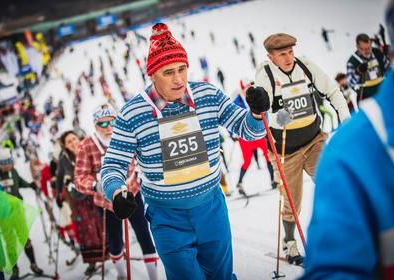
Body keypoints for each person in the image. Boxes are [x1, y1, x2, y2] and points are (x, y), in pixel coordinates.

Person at [101, 23, 270, 279]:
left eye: (182, 69)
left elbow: (249, 130)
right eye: (168, 72)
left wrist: (257, 113)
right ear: (152, 74)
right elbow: (112, 166)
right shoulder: (132, 113)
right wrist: (117, 192)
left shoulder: (208, 95)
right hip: (168, 217)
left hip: (211, 208)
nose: (179, 79)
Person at [302, 0, 394, 278]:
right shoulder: (350, 154)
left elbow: (384, 63)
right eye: (362, 48)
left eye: (367, 48)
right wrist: (359, 79)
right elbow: (350, 84)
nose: (366, 51)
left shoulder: (376, 52)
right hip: (371, 103)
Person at [254, 33, 350, 265]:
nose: (288, 58)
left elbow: (333, 91)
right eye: (281, 54)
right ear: (271, 56)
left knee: (333, 184)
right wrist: (278, 116)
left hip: (314, 140)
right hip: (286, 150)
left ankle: (344, 235)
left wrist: (346, 120)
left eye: (290, 52)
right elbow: (262, 115)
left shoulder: (305, 66)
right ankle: (290, 243)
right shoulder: (265, 74)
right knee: (292, 200)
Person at [74, 104, 158, 280]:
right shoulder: (86, 145)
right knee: (115, 242)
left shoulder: (126, 136)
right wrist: (96, 183)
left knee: (144, 234)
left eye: (112, 121)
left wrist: (139, 174)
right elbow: (79, 178)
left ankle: (154, 276)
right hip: (107, 203)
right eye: (102, 124)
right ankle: (121, 274)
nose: (109, 127)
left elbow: (142, 158)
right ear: (95, 125)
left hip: (131, 194)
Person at [56, 130, 107, 276]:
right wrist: (59, 193)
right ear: (65, 146)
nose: (73, 143)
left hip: (95, 193)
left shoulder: (88, 149)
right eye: (69, 142)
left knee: (102, 225)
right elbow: (59, 175)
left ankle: (112, 252)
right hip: (79, 199)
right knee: (86, 230)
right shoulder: (64, 159)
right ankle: (92, 261)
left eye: (74, 139)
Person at [0, 148, 44, 279]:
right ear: (1, 164)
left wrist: (30, 185)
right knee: (10, 242)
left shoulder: (13, 171)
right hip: (4, 216)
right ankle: (15, 269)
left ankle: (33, 264)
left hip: (18, 212)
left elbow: (19, 182)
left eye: (10, 163)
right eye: (6, 164)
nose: (9, 166)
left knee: (25, 239)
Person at [233, 80, 278, 195]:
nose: (248, 90)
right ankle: (239, 183)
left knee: (268, 155)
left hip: (260, 135)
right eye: (245, 88)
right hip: (245, 137)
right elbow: (231, 118)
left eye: (249, 87)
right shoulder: (237, 102)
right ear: (241, 90)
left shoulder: (256, 97)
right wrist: (232, 134)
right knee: (247, 160)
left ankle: (273, 180)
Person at [346, 33, 390, 102]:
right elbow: (350, 82)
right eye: (363, 49)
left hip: (383, 92)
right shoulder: (353, 61)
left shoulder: (378, 53)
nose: (366, 51)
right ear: (357, 47)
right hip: (366, 98)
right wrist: (358, 72)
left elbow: (389, 69)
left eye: (368, 48)